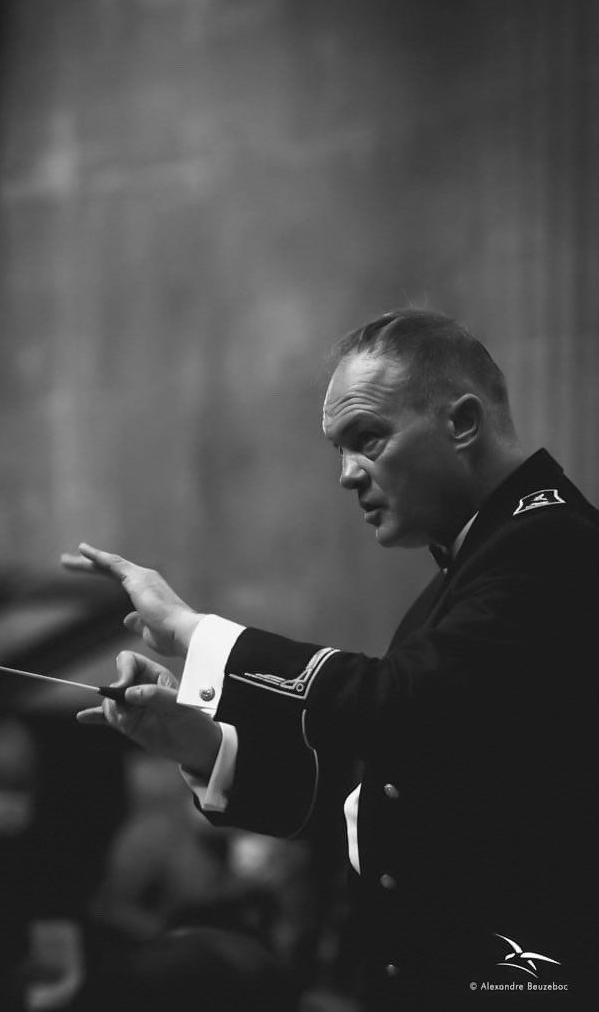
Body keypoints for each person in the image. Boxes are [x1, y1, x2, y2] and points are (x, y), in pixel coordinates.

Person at [61, 308, 599, 1010]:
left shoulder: (552, 543)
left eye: (368, 438)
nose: (347, 475)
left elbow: (400, 702)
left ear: (463, 422)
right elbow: (395, 795)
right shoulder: (468, 570)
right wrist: (203, 744)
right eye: (339, 450)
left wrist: (195, 632)